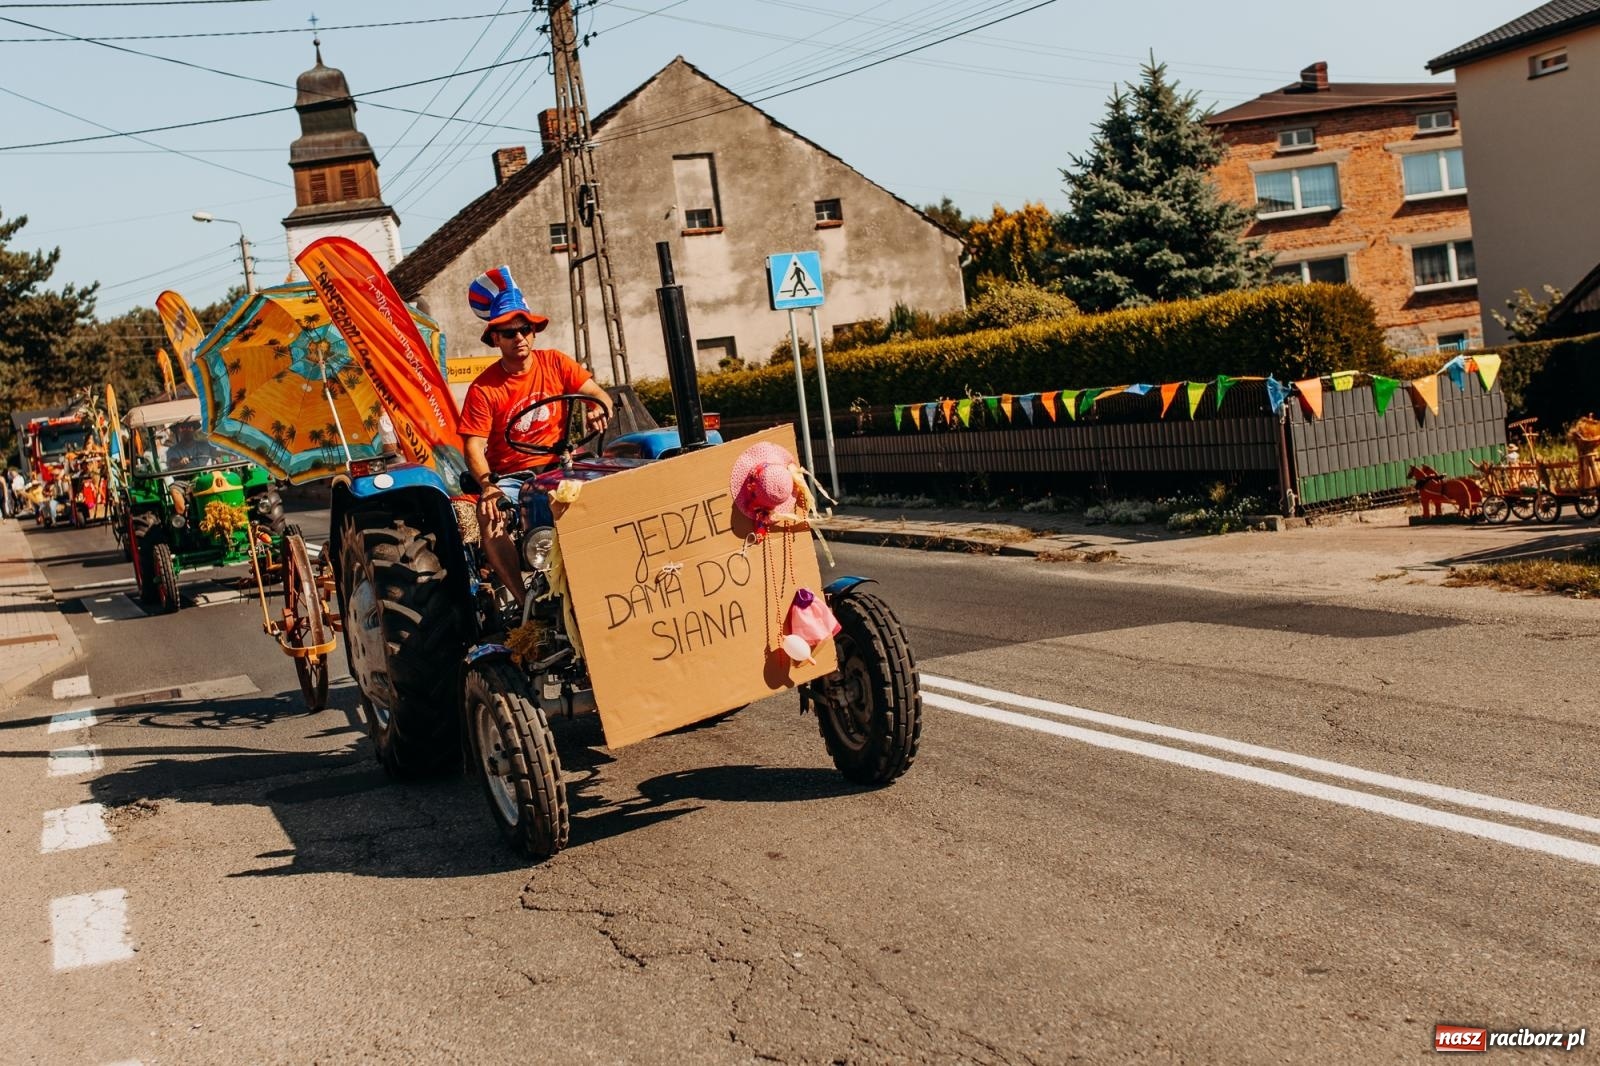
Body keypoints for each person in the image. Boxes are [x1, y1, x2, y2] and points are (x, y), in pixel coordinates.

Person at [457, 265, 612, 596]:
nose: (519, 338)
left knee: (615, 486)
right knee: (490, 517)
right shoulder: (484, 389)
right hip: (516, 477)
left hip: (565, 462)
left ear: (533, 332)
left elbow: (598, 395)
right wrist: (488, 488)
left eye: (524, 329)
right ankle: (523, 600)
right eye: (509, 332)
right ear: (495, 338)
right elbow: (473, 446)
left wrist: (597, 408)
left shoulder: (556, 362)